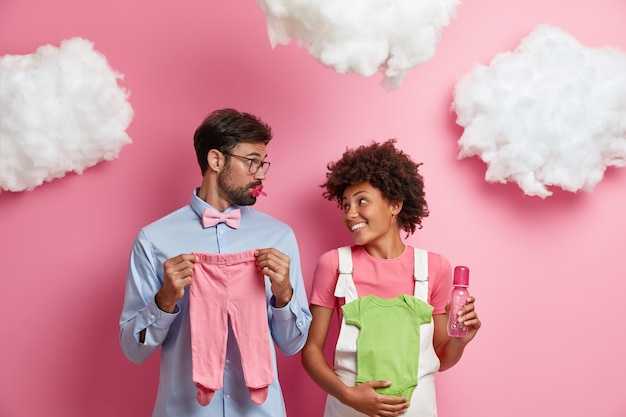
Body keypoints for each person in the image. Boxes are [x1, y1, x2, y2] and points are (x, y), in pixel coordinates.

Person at [119, 108, 312, 417]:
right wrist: (165, 299)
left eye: (264, 164)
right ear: (216, 160)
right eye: (252, 162)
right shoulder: (154, 240)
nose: (260, 173)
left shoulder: (279, 237)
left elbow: (293, 345)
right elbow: (133, 349)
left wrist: (284, 294)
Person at [301, 139, 481, 417]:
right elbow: (311, 352)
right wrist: (349, 396)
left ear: (395, 205)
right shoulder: (334, 264)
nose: (351, 214)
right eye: (346, 204)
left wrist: (459, 341)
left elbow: (442, 359)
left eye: (362, 201)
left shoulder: (434, 267)